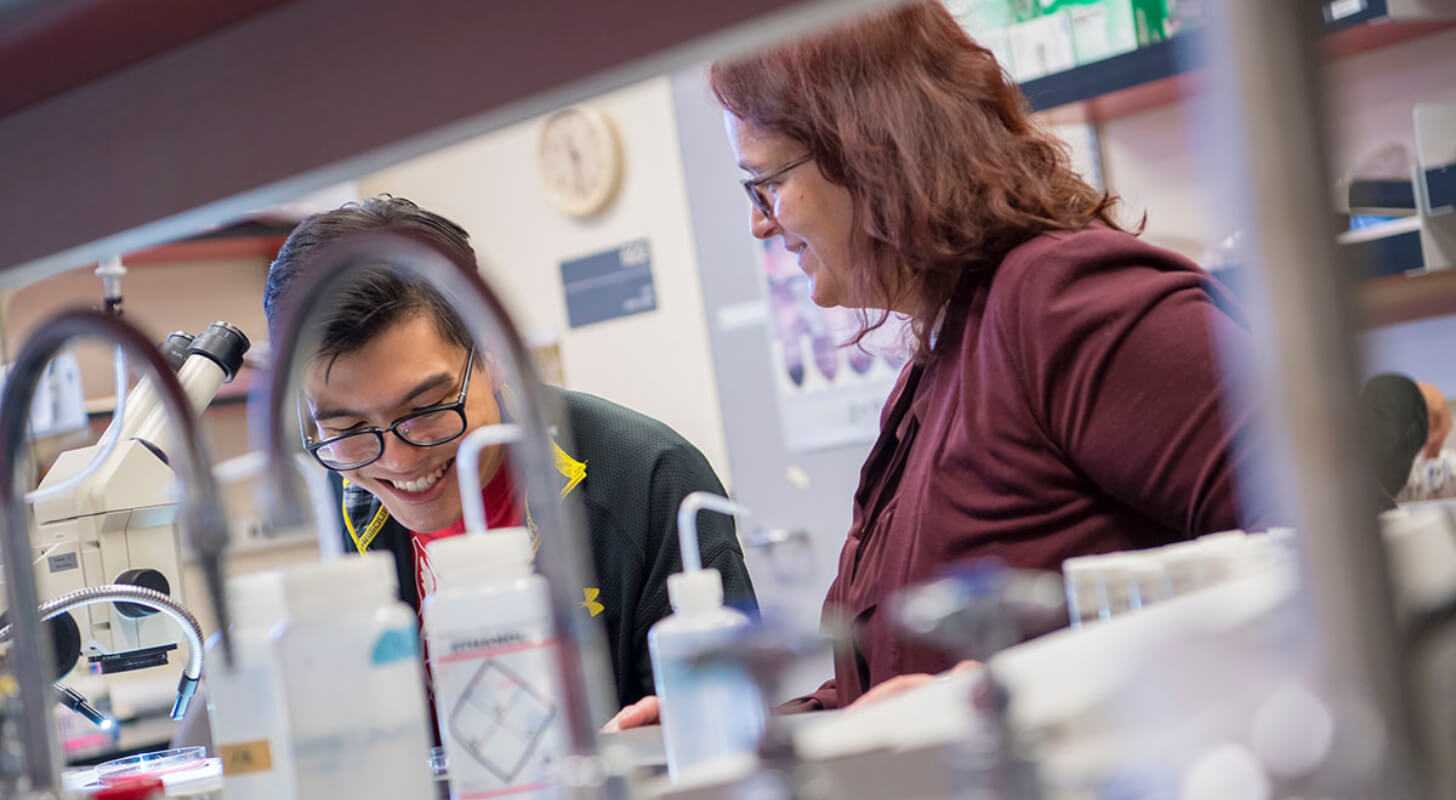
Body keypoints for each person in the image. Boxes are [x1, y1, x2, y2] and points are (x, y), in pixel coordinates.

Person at [607, 1, 1273, 728]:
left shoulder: (1064, 302)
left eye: (765, 183)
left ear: (869, 148)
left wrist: (1000, 702)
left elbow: (1334, 552)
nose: (759, 222)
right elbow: (895, 682)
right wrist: (754, 732)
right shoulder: (943, 359)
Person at [263, 195, 756, 709]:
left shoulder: (652, 480)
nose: (398, 462)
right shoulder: (349, 488)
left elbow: (734, 725)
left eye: (426, 410)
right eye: (349, 426)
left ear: (492, 352)